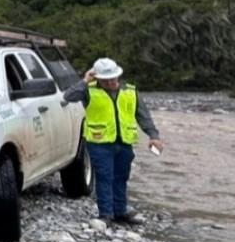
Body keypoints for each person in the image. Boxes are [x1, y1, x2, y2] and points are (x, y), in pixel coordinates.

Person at [62, 57, 164, 225]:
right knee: (105, 177)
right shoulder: (88, 90)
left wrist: (154, 136)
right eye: (105, 80)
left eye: (112, 79)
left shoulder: (130, 91)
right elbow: (68, 96)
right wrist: (85, 80)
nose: (110, 82)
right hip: (99, 144)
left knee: (121, 177)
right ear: (97, 78)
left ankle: (120, 211)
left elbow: (143, 116)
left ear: (118, 75)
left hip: (124, 143)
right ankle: (106, 214)